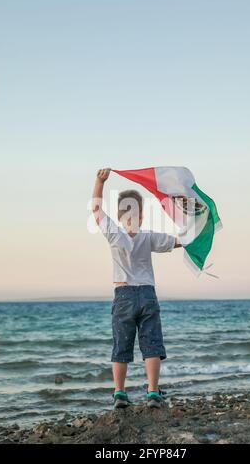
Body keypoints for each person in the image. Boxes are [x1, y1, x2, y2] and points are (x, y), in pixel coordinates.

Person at [92, 168, 181, 408]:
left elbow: (96, 209)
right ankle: (153, 392)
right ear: (141, 215)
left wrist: (99, 181)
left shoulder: (113, 233)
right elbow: (177, 241)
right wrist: (197, 233)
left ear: (120, 215)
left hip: (123, 295)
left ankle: (120, 392)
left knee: (121, 345)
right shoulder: (148, 236)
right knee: (151, 344)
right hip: (147, 294)